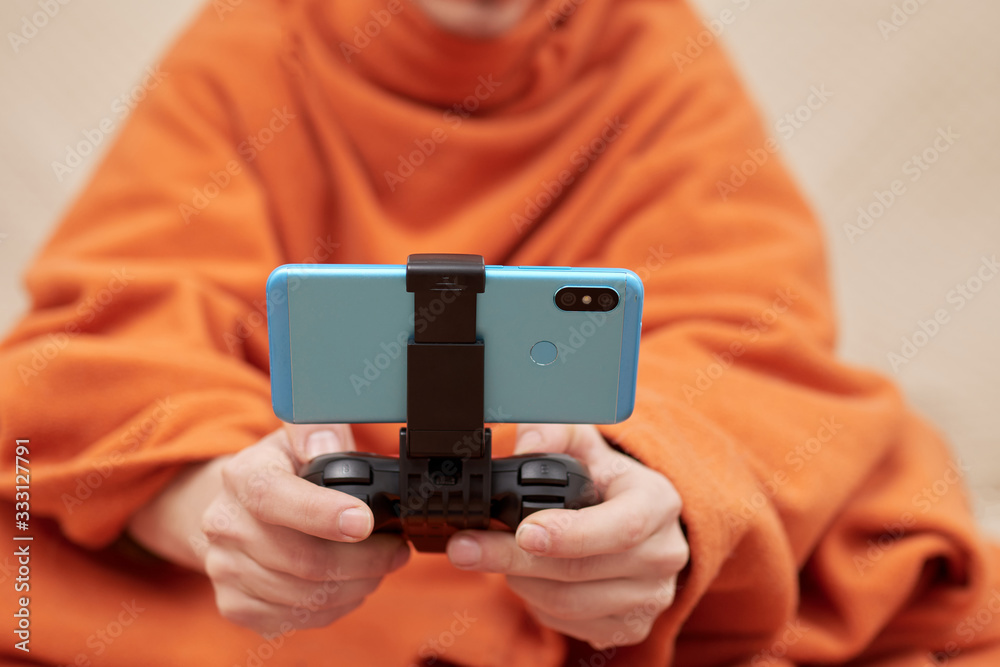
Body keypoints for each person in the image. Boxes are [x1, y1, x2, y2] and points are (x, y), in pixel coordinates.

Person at [1, 0, 998, 664]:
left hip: (584, 571)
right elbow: (102, 344)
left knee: (884, 491)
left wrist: (659, 503)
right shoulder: (250, 41)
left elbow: (755, 345)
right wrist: (213, 508)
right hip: (258, 581)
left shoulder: (655, 51)